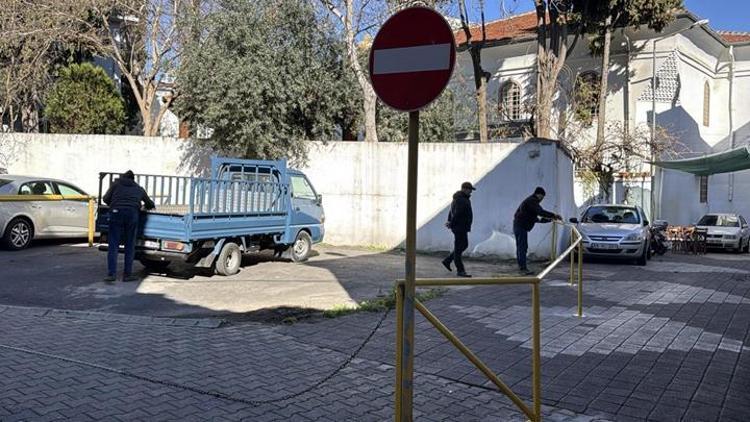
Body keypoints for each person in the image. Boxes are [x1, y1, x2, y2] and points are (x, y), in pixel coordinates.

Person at [103, 170, 155, 282]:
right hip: (132, 215)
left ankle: (111, 274)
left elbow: (105, 199)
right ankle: (127, 275)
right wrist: (147, 206)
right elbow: (150, 203)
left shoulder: (116, 184)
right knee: (130, 245)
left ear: (123, 177)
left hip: (116, 213)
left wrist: (114, 204)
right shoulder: (139, 188)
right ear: (133, 179)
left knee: (113, 245)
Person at [513, 187, 561, 275]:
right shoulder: (532, 201)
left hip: (519, 225)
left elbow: (537, 218)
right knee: (522, 247)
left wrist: (550, 219)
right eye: (542, 197)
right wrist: (554, 215)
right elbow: (540, 212)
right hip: (520, 227)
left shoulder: (530, 203)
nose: (542, 200)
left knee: (521, 247)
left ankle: (521, 266)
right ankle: (523, 268)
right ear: (538, 194)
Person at [442, 182, 475, 278]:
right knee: (459, 247)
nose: (471, 192)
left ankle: (448, 260)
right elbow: (457, 213)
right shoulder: (462, 199)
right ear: (464, 189)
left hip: (460, 227)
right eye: (470, 190)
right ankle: (460, 270)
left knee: (462, 245)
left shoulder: (458, 198)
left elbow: (451, 211)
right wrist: (451, 223)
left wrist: (449, 221)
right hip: (459, 227)